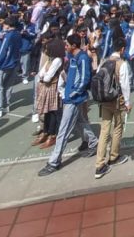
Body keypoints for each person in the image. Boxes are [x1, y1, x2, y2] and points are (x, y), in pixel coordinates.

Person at [38, 34, 98, 176]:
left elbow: (84, 79)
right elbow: (69, 75)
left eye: (67, 44)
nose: (65, 47)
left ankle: (54, 161)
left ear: (74, 46)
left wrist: (72, 93)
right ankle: (93, 142)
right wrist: (64, 91)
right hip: (70, 97)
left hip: (74, 99)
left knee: (63, 130)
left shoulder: (82, 58)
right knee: (80, 122)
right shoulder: (72, 57)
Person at [94, 34, 131, 179]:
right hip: (117, 100)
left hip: (104, 100)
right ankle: (114, 156)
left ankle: (99, 164)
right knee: (118, 127)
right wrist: (127, 102)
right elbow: (125, 85)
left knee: (104, 130)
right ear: (122, 49)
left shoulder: (104, 61)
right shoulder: (122, 64)